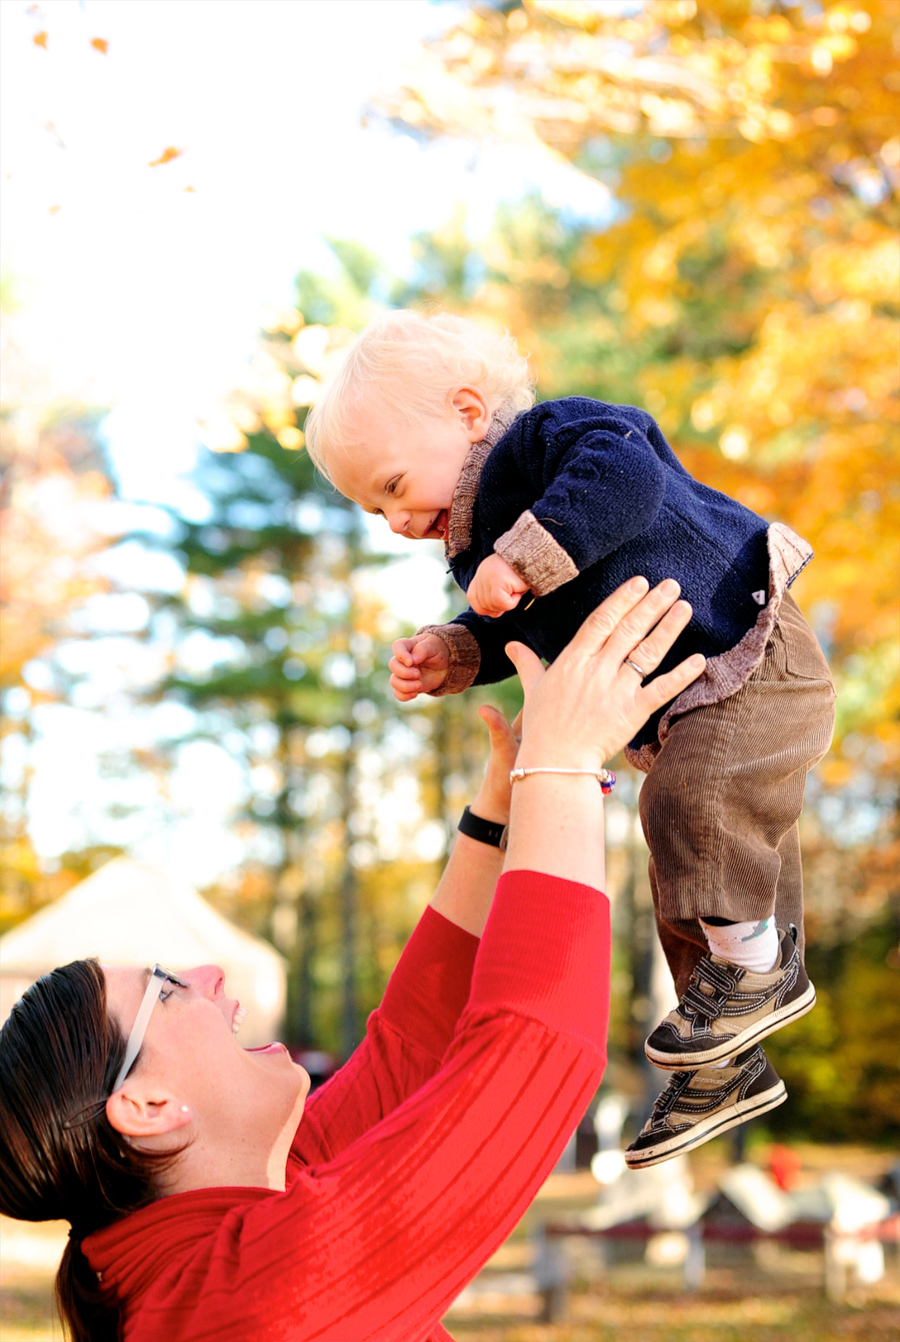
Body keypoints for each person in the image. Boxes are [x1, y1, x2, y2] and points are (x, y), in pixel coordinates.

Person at [0, 579, 705, 1342]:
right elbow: (530, 1056)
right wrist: (564, 767)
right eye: (168, 990)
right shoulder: (246, 1303)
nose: (210, 976)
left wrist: (503, 808)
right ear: (147, 1110)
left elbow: (413, 1053)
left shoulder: (228, 1203)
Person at [305, 310, 836, 1168]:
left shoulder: (552, 439)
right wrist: (454, 650)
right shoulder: (483, 548)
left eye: (396, 486)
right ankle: (728, 1058)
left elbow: (627, 479)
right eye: (374, 509)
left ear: (470, 414)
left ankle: (756, 973)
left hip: (750, 643)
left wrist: (522, 561)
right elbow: (531, 632)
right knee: (681, 863)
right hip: (692, 702)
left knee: (689, 805)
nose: (395, 521)